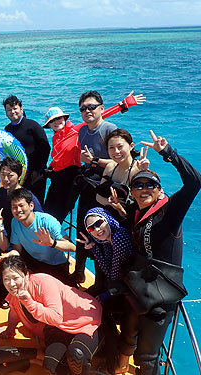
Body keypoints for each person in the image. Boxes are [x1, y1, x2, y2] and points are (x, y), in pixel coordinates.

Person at [112, 130, 201, 375]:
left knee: (147, 356)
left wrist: (168, 153)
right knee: (127, 335)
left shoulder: (169, 212)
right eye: (138, 185)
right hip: (139, 286)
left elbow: (195, 182)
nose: (144, 189)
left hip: (162, 294)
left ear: (159, 190)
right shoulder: (136, 211)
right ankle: (118, 369)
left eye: (150, 185)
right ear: (132, 192)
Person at [74, 90, 145, 283]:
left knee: (104, 233)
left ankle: (104, 280)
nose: (87, 111)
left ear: (101, 109)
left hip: (110, 186)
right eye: (83, 108)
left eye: (91, 107)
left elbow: (117, 159)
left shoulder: (109, 128)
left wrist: (94, 161)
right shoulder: (82, 131)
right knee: (85, 227)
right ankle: (79, 271)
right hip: (93, 187)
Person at [0, 256, 102, 375]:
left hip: (87, 320)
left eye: (15, 278)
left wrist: (29, 302)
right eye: (6, 279)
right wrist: (8, 331)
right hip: (60, 329)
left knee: (77, 355)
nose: (11, 283)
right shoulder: (15, 294)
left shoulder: (43, 282)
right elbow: (14, 312)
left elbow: (56, 318)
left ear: (26, 275)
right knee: (50, 366)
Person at [76, 207, 134, 373]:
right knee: (88, 300)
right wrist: (94, 247)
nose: (97, 229)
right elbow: (110, 273)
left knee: (100, 308)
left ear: (107, 219)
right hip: (122, 287)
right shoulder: (108, 240)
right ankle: (104, 348)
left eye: (99, 223)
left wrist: (94, 249)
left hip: (129, 291)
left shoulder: (118, 238)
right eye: (91, 228)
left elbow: (112, 275)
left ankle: (111, 360)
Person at [0, 188, 76, 287]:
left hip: (56, 265)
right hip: (34, 262)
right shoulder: (15, 222)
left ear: (31, 206)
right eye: (14, 207)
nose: (18, 210)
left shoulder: (47, 221)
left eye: (21, 205)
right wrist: (7, 256)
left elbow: (72, 247)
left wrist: (52, 243)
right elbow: (17, 249)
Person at [3, 95, 50, 204]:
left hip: (36, 175)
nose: (12, 112)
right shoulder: (7, 129)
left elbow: (45, 148)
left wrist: (37, 171)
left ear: (21, 109)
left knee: (35, 203)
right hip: (19, 175)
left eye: (15, 108)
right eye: (9, 110)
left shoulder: (33, 126)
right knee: (19, 203)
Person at [42, 107, 83, 223]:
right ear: (49, 125)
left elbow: (98, 117)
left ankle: (56, 240)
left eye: (58, 118)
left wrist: (122, 105)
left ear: (64, 118)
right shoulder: (56, 138)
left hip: (71, 179)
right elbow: (57, 157)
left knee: (58, 217)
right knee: (47, 213)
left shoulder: (75, 131)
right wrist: (50, 168)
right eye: (52, 121)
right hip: (57, 179)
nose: (56, 122)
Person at [95, 128, 149, 215]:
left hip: (132, 218)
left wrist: (144, 171)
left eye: (120, 147)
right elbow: (98, 196)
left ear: (131, 146)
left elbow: (148, 200)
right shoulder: (110, 167)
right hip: (111, 213)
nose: (116, 151)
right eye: (111, 147)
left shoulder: (138, 170)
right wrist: (110, 203)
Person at [0, 157, 43, 237]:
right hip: (4, 237)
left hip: (23, 239)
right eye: (2, 174)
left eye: (10, 175)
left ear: (19, 176)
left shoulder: (28, 197)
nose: (5, 179)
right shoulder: (0, 192)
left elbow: (41, 221)